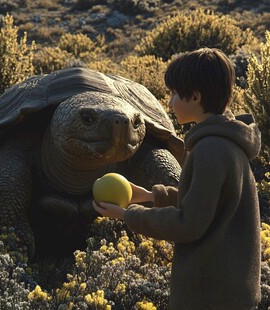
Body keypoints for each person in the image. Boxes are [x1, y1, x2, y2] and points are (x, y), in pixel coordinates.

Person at [93, 47, 261, 310]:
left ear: (195, 97)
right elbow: (208, 202)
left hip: (210, 296)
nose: (169, 103)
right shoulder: (228, 142)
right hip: (231, 290)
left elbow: (189, 223)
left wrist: (128, 215)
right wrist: (151, 196)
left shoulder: (210, 150)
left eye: (173, 94)